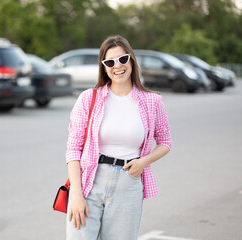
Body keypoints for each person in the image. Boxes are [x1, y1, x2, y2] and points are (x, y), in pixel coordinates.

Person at [65, 35, 172, 240]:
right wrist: (76, 195)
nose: (117, 66)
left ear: (131, 60)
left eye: (123, 59)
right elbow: (73, 149)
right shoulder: (89, 98)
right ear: (104, 67)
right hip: (89, 182)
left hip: (128, 184)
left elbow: (165, 142)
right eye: (110, 62)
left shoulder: (153, 101)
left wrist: (143, 162)